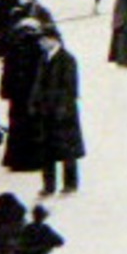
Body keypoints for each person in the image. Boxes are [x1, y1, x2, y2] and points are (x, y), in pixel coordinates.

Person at [30, 26, 83, 196]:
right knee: (46, 150)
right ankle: (48, 185)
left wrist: (62, 108)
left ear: (54, 39)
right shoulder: (43, 59)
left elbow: (70, 88)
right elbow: (38, 84)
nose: (41, 43)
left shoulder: (67, 59)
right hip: (45, 111)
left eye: (44, 40)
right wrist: (34, 103)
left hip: (63, 112)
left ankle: (70, 183)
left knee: (67, 150)